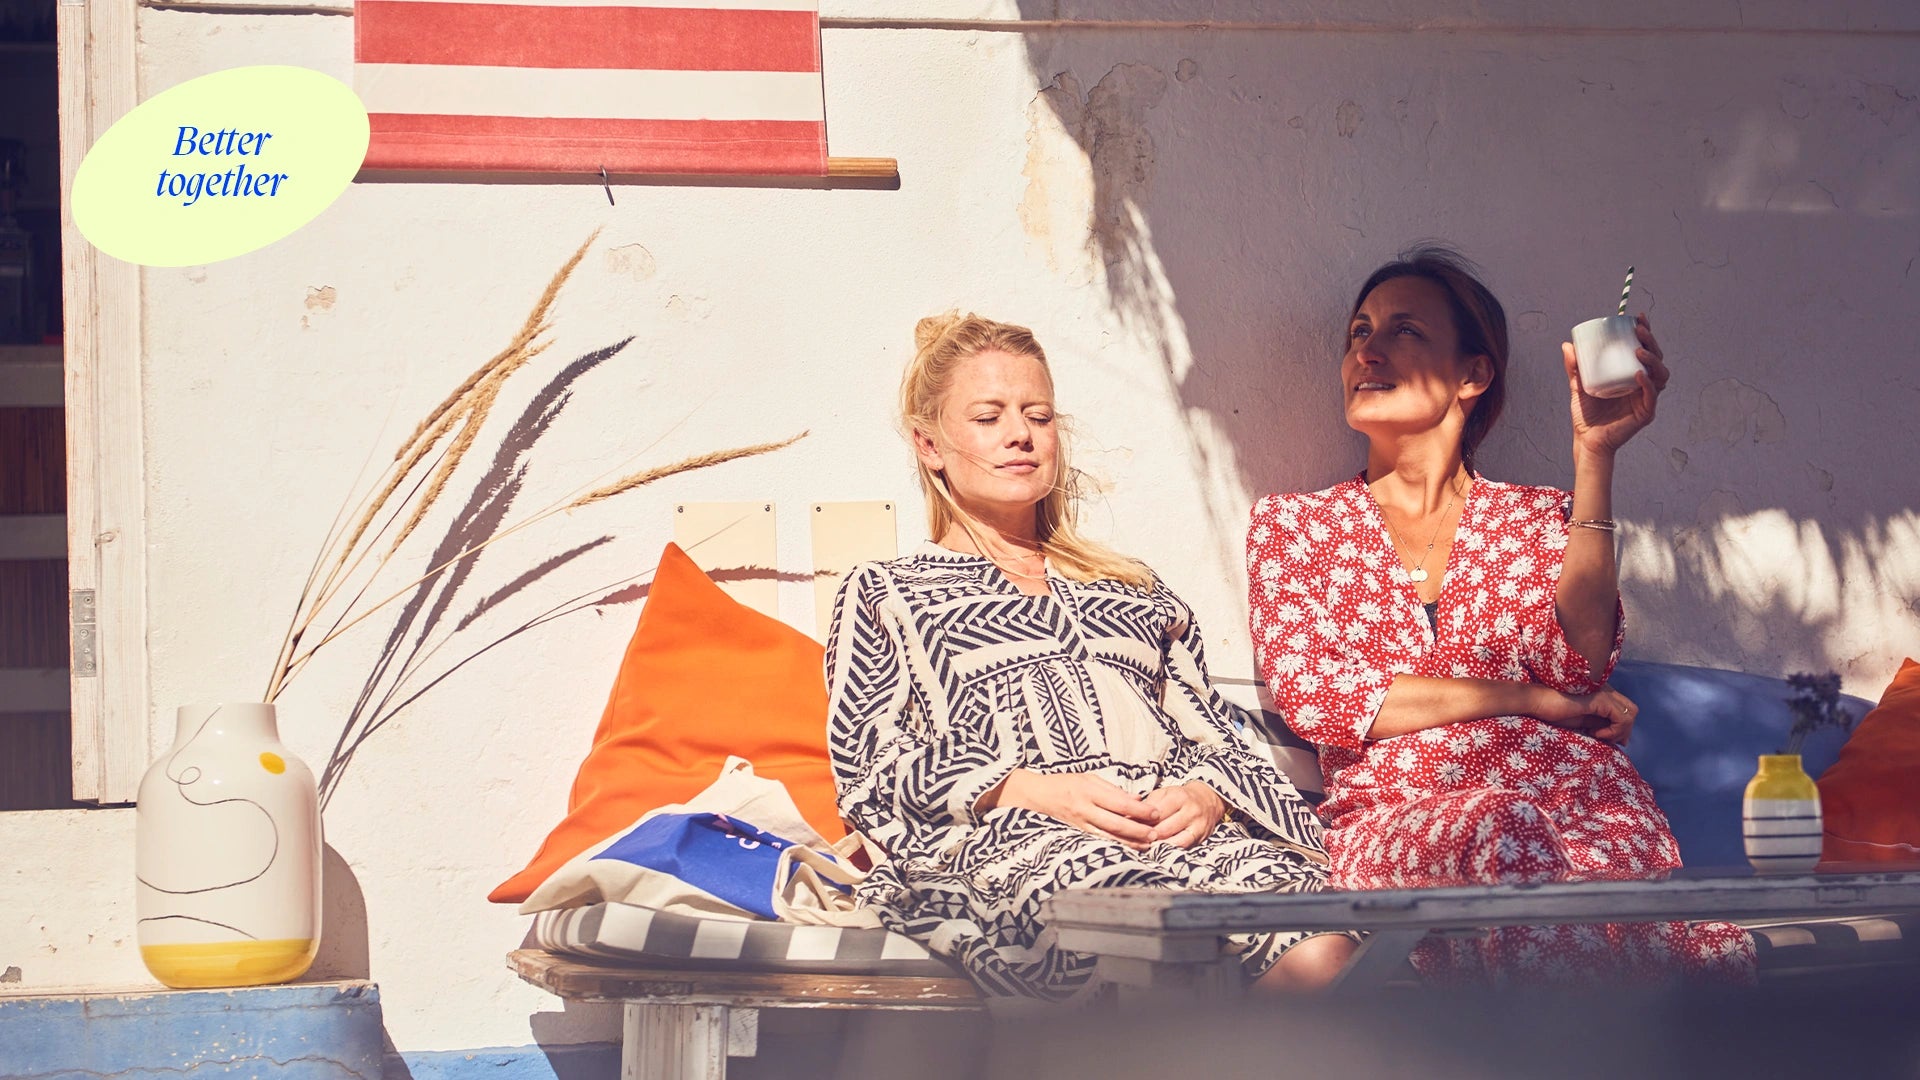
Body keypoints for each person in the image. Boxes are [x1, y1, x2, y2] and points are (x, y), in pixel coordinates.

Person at [1246, 247, 1756, 986]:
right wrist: (1528, 699)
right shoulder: (1296, 526)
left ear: (1473, 375)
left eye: (1404, 331)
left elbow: (1579, 665)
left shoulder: (1537, 518)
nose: (1368, 351)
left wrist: (1594, 456)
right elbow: (1320, 697)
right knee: (1504, 827)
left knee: (1699, 953)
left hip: (1584, 808)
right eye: (1359, 331)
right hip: (1401, 827)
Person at [826, 312, 1356, 1001]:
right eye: (988, 417)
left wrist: (1206, 797)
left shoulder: (1133, 588)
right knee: (1152, 934)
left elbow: (1217, 737)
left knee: (1323, 949)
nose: (1020, 435)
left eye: (1038, 416)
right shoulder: (888, 592)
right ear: (930, 445)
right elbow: (868, 767)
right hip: (1018, 842)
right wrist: (1028, 788)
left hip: (1177, 836)